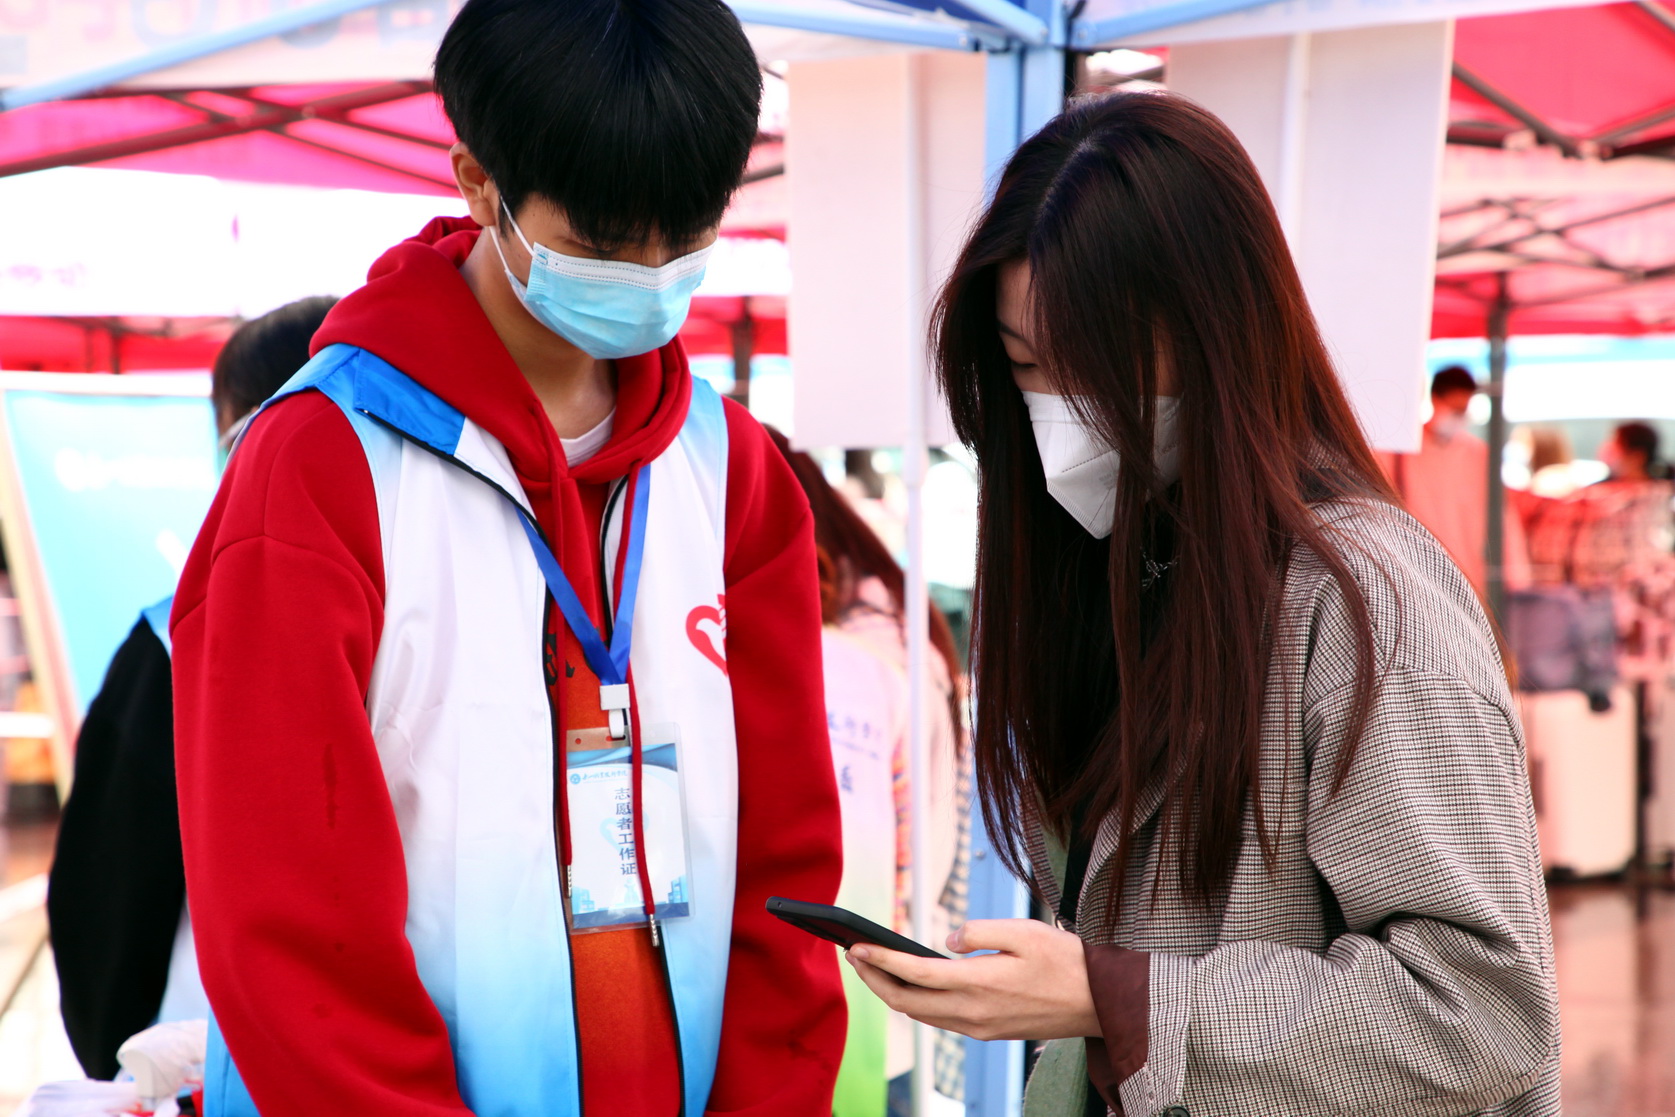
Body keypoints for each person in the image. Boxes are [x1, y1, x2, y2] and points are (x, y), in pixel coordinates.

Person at [170, 3, 844, 1115]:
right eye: (603, 242)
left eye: (685, 237)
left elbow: (787, 878)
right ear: (478, 183)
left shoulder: (735, 474)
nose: (649, 275)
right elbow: (290, 930)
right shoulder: (322, 468)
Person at [844, 92, 1559, 1116]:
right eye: (1025, 367)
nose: (1057, 411)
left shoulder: (1368, 600)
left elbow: (1484, 1007)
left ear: (1217, 335)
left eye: (1093, 365)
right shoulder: (1120, 565)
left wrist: (1116, 996)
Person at [47, 296, 336, 1080]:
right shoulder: (471, 607)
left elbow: (108, 890)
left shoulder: (179, 637)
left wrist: (121, 1050)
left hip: (215, 1056)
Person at [766, 428, 968, 1117]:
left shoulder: (854, 659)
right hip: (882, 997)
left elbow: (902, 853)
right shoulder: (891, 634)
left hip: (859, 1000)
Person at [1392, 365, 1529, 594]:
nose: (1458, 416)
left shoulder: (1479, 454)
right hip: (1417, 570)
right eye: (1453, 408)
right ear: (1434, 399)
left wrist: (1517, 574)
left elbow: (1503, 515)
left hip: (1468, 574)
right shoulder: (1402, 453)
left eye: (1463, 410)